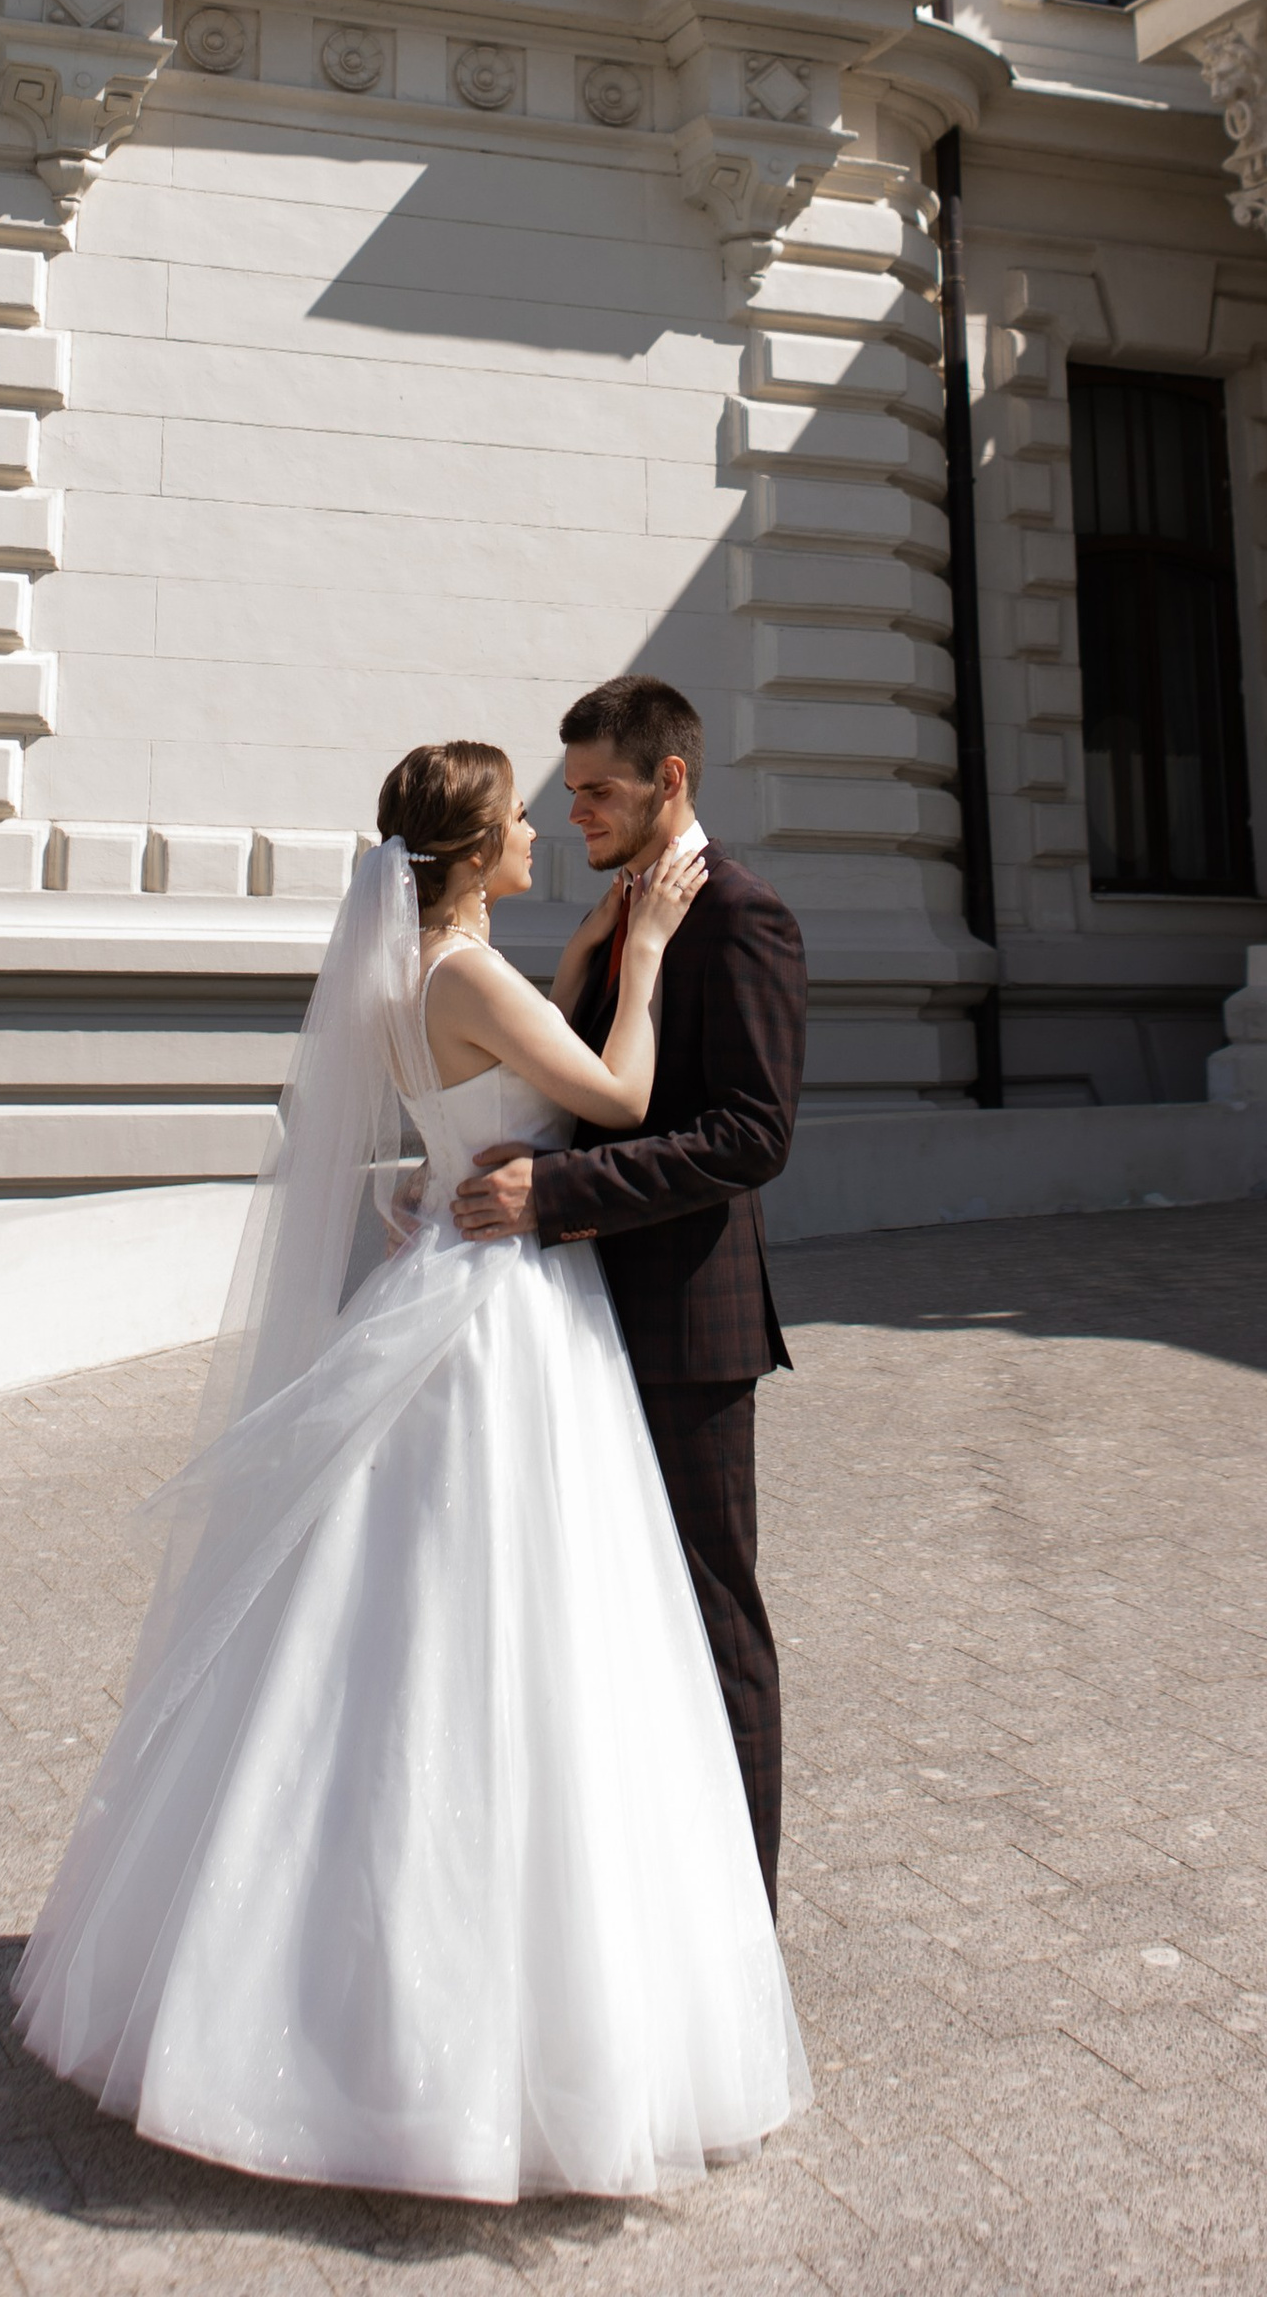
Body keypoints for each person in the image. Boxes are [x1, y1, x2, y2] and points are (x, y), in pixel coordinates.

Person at [12, 737, 810, 2203]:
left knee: (395, 1634)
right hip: (512, 1320)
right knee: (524, 1628)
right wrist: (636, 962)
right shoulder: (468, 976)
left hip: (458, 1273)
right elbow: (620, 1094)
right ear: (474, 848)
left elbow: (464, 1121)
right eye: (520, 820)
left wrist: (577, 956)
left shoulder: (408, 976)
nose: (541, 833)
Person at [452, 676, 806, 1905]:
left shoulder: (744, 917)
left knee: (711, 1622)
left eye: (598, 791)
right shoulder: (615, 918)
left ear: (671, 779)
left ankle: (742, 1925)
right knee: (605, 1618)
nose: (577, 814)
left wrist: (555, 1190)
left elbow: (750, 1136)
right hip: (577, 1318)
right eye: (570, 793)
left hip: (686, 1327)